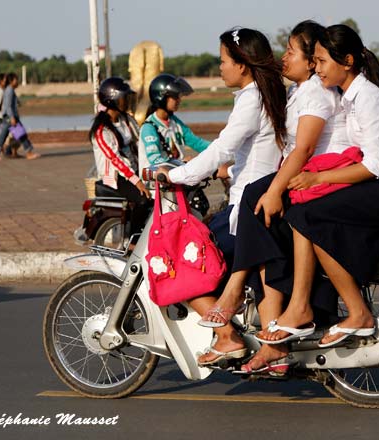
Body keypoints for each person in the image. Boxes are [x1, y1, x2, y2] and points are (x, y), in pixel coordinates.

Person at [248, 24, 379, 364]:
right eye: (314, 61)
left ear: (347, 61)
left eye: (323, 61)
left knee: (308, 214)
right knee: (304, 210)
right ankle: (303, 306)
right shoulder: (349, 96)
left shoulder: (368, 97)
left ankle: (352, 311)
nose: (318, 68)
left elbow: (373, 165)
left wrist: (318, 179)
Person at [198, 20, 352, 372]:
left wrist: (274, 190)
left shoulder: (312, 93)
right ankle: (266, 333)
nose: (284, 59)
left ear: (312, 60)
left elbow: (303, 149)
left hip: (316, 182)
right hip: (310, 179)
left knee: (252, 204)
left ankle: (239, 309)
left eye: (291, 52)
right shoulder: (295, 93)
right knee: (257, 202)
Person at [156, 27, 287, 366]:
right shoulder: (265, 94)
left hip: (247, 208)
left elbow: (223, 147)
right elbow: (254, 154)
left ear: (242, 64)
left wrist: (177, 175)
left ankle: (226, 335)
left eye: (224, 61)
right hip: (254, 195)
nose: (220, 67)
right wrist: (225, 172)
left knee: (185, 259)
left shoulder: (251, 98)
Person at [91, 77, 151, 218]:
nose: (127, 101)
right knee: (144, 199)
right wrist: (137, 182)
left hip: (134, 169)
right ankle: (134, 239)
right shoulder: (102, 131)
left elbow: (140, 140)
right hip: (117, 177)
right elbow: (115, 159)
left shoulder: (126, 120)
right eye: (124, 98)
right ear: (112, 100)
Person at [139, 73, 210, 172]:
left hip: (175, 177)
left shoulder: (174, 122)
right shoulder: (149, 128)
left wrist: (222, 149)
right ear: (162, 97)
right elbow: (155, 159)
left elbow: (197, 143)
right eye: (175, 96)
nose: (179, 100)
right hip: (155, 183)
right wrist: (182, 162)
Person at [0, 72, 40, 160]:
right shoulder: (9, 90)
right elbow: (8, 105)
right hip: (11, 117)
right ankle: (29, 153)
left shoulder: (9, 90)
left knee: (3, 135)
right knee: (21, 135)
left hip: (8, 117)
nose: (18, 82)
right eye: (16, 80)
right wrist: (12, 117)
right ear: (12, 81)